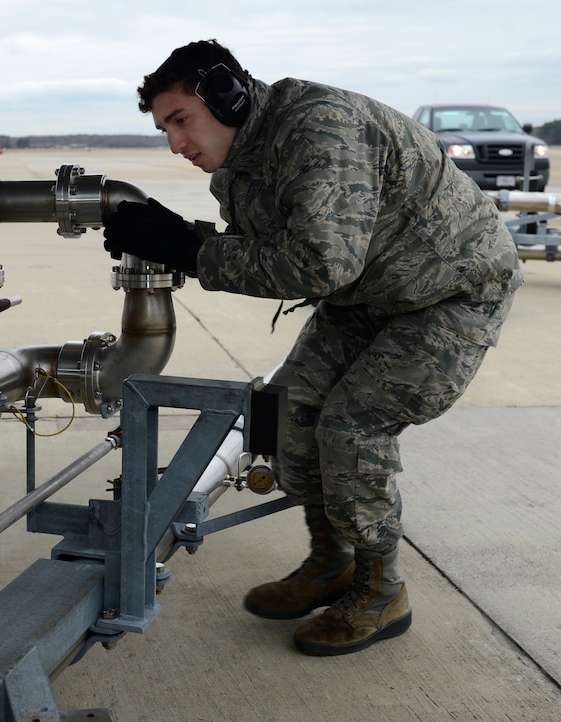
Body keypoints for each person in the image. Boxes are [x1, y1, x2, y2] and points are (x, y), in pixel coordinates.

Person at [103, 39, 523, 656]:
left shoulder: (319, 129)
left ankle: (382, 592)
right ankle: (332, 563)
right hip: (368, 293)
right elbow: (273, 249)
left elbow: (318, 265)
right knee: (288, 410)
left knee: (352, 428)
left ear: (226, 95)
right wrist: (180, 237)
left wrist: (190, 253)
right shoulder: (242, 165)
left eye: (180, 120)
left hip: (450, 290)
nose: (175, 143)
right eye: (165, 128)